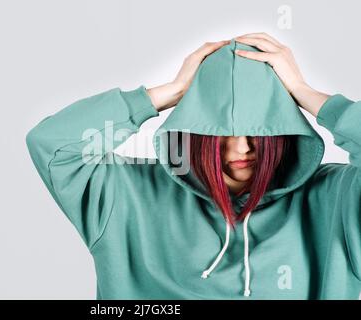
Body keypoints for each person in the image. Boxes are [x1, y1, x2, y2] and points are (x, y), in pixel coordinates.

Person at [26, 32, 361, 299]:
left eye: (259, 133)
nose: (241, 148)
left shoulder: (335, 199)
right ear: (192, 131)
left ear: (284, 131)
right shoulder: (126, 195)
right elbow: (53, 145)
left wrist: (306, 95)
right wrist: (166, 95)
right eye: (219, 134)